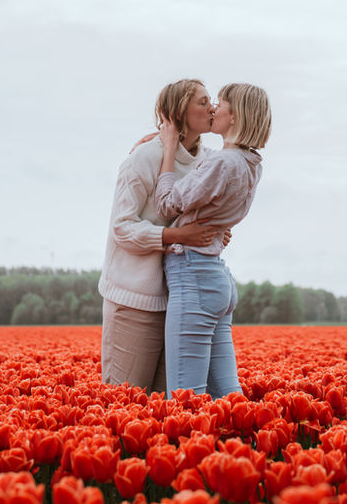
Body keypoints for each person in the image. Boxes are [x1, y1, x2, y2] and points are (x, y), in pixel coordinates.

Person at [99, 78, 228, 393]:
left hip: (180, 301)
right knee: (125, 401)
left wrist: (215, 234)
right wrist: (177, 235)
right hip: (135, 300)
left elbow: (208, 222)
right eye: (202, 101)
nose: (211, 107)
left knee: (165, 410)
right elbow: (122, 227)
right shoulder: (143, 158)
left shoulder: (209, 161)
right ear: (179, 111)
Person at [155, 82, 271, 399]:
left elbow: (166, 203)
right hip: (215, 276)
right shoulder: (250, 164)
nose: (214, 109)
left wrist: (167, 149)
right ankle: (240, 448)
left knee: (184, 399)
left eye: (220, 103)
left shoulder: (221, 163)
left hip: (194, 276)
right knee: (228, 398)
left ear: (234, 117)